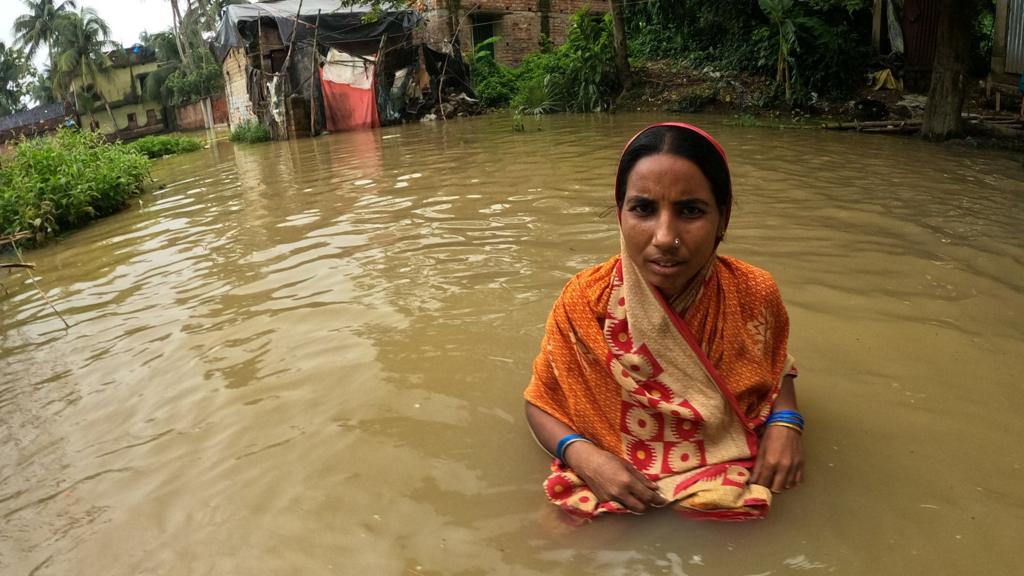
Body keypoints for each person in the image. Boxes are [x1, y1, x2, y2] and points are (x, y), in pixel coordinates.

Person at [524, 123, 803, 521]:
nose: (665, 237)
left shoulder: (753, 292)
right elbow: (540, 401)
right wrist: (586, 458)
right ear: (620, 213)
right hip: (613, 472)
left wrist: (787, 422)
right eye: (644, 209)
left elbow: (778, 367)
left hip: (731, 467)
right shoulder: (585, 301)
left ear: (722, 219)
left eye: (690, 210)